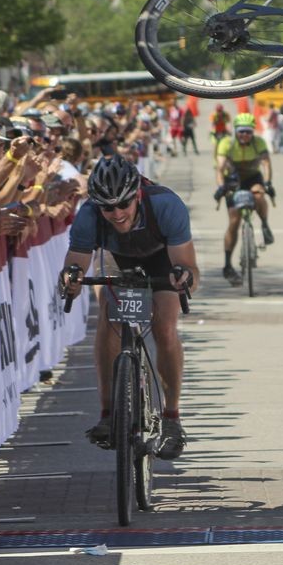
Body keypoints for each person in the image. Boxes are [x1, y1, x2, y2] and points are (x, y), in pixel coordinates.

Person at [59, 155, 198, 460]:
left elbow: (189, 269)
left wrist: (183, 278)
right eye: (108, 207)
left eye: (123, 204)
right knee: (108, 319)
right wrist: (71, 278)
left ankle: (172, 418)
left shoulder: (166, 205)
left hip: (161, 258)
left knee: (165, 326)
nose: (117, 213)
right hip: (117, 258)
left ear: (137, 194)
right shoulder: (90, 216)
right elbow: (76, 264)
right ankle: (109, 413)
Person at [214, 112, 275, 285]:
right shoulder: (226, 143)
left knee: (259, 194)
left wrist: (268, 182)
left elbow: (266, 163)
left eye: (248, 132)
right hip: (232, 180)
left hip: (253, 177)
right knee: (234, 222)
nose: (245, 135)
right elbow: (220, 168)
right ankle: (227, 264)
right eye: (241, 131)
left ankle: (264, 224)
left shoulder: (259, 142)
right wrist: (220, 187)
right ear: (235, 131)